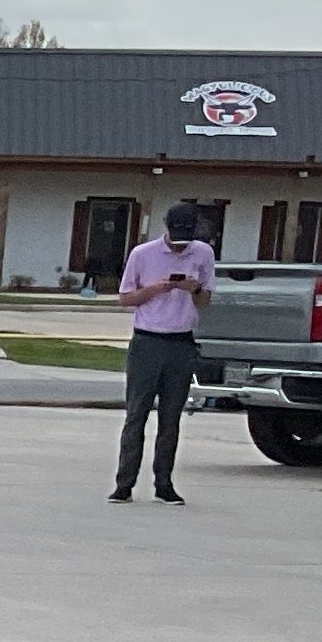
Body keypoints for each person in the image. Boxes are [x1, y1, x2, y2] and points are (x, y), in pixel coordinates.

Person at [113, 201, 213, 503]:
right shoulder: (143, 254)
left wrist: (194, 289)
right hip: (147, 341)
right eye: (176, 240)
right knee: (137, 414)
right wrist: (157, 288)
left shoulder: (203, 253)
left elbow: (206, 301)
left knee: (171, 417)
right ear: (166, 228)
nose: (181, 248)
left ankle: (164, 482)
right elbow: (126, 298)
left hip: (181, 342)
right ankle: (125, 483)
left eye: (186, 242)